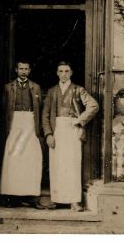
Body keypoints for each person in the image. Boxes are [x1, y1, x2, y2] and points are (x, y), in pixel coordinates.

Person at [42, 61, 99, 211]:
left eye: (66, 71)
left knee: (72, 164)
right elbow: (45, 115)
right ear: (57, 73)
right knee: (56, 165)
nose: (63, 74)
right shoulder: (52, 91)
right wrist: (48, 134)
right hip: (57, 130)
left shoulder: (78, 90)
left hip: (72, 130)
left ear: (71, 73)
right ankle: (56, 199)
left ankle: (74, 201)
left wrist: (80, 121)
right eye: (60, 71)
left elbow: (94, 105)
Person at [0, 59, 44, 209]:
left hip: (30, 122)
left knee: (31, 158)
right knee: (13, 158)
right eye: (21, 69)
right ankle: (11, 197)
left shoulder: (36, 87)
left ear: (30, 71)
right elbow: (3, 108)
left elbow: (40, 108)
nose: (23, 71)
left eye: (26, 69)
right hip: (15, 123)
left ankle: (32, 197)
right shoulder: (8, 87)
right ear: (16, 70)